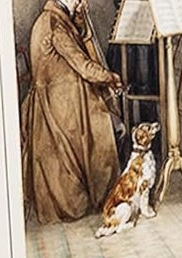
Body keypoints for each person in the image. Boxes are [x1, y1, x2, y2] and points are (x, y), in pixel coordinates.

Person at [22, 0, 124, 225]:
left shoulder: (53, 19)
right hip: (60, 108)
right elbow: (84, 66)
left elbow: (76, 47)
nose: (80, 1)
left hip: (58, 101)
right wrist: (110, 77)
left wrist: (78, 20)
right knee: (106, 127)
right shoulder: (54, 24)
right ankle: (105, 193)